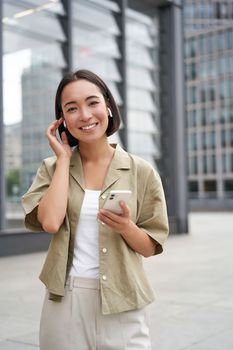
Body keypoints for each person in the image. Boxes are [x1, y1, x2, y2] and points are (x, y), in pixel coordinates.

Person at [21, 69, 169, 350]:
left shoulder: (141, 171)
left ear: (109, 108)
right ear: (62, 120)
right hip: (65, 299)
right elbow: (51, 222)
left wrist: (126, 227)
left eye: (92, 103)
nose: (85, 115)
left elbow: (150, 247)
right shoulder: (51, 168)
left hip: (124, 299)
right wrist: (63, 160)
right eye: (72, 108)